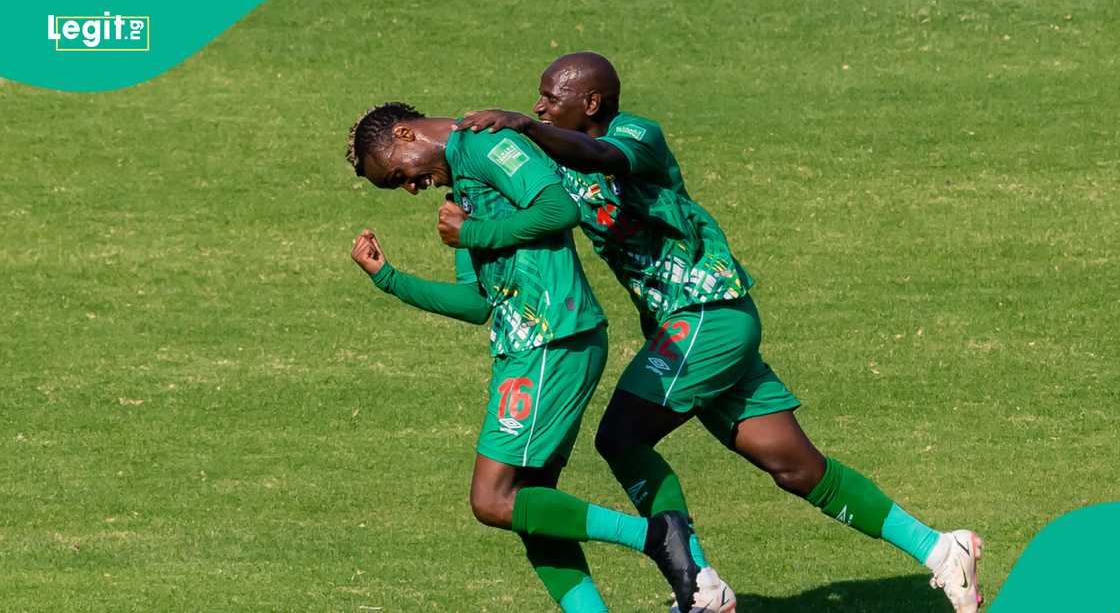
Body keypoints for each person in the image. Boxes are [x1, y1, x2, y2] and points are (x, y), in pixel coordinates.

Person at [450, 52, 984, 613]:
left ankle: (698, 582)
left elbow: (602, 154)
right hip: (685, 330)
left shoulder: (636, 134)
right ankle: (941, 549)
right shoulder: (553, 160)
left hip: (707, 313)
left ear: (591, 103)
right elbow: (521, 184)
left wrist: (527, 126)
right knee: (795, 467)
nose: (538, 106)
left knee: (622, 437)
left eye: (549, 99)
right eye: (535, 100)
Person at [345, 101, 707, 613]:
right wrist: (390, 279)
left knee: (492, 499)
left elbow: (560, 209)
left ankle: (655, 536)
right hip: (526, 346)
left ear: (404, 134)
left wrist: (473, 233)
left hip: (552, 339)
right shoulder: (461, 189)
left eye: (399, 174)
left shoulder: (485, 144)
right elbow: (476, 304)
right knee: (530, 508)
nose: (409, 187)